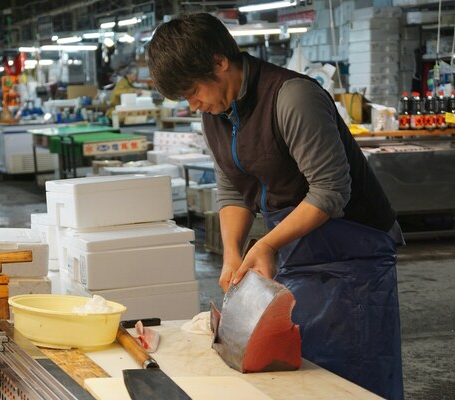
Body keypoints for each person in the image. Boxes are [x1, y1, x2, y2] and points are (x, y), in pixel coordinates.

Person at [147, 13, 404, 400]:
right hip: (296, 247)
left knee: (354, 379)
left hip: (354, 255)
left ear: (220, 63)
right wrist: (233, 252)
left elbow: (331, 190)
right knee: (304, 376)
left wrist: (265, 244)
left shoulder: (292, 96)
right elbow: (234, 191)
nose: (192, 103)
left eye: (192, 90)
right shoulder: (214, 114)